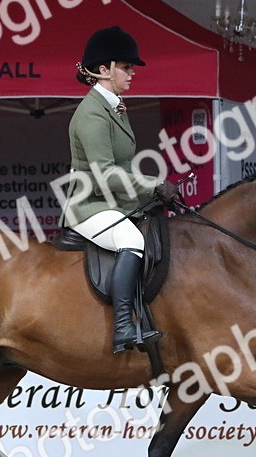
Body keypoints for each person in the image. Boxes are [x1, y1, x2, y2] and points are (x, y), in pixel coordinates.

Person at [59, 26, 178, 353]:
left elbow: (123, 167)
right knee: (131, 239)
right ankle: (124, 326)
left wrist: (149, 196)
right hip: (89, 205)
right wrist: (153, 184)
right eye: (125, 67)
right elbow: (104, 175)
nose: (131, 73)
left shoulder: (112, 106)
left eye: (130, 67)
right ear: (103, 70)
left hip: (112, 202)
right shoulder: (93, 115)